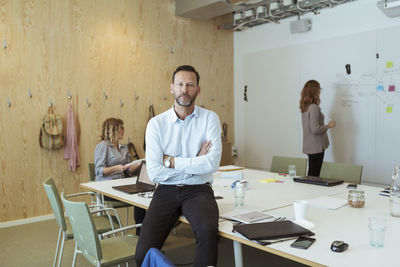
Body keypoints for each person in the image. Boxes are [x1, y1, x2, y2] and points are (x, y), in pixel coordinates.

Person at [135, 65, 222, 267]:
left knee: (209, 234)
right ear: (172, 88)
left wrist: (171, 161)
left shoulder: (210, 119)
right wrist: (195, 161)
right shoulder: (156, 124)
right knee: (142, 255)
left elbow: (212, 163)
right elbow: (155, 172)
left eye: (190, 85)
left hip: (199, 190)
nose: (185, 89)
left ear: (198, 90)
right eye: (180, 84)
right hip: (166, 191)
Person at [94, 118, 145, 234]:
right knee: (138, 197)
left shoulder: (123, 147)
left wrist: (137, 165)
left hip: (121, 184)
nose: (123, 131)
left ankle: (141, 233)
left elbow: (128, 171)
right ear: (113, 130)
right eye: (121, 128)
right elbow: (98, 170)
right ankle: (141, 232)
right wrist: (116, 168)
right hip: (106, 188)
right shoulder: (103, 146)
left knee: (140, 197)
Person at [300, 80, 336, 177]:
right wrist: (329, 126)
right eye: (319, 89)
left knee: (312, 174)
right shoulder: (314, 107)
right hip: (316, 146)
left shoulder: (305, 107)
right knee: (314, 175)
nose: (320, 91)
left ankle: (309, 191)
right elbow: (315, 129)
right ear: (314, 91)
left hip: (309, 146)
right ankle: (310, 192)